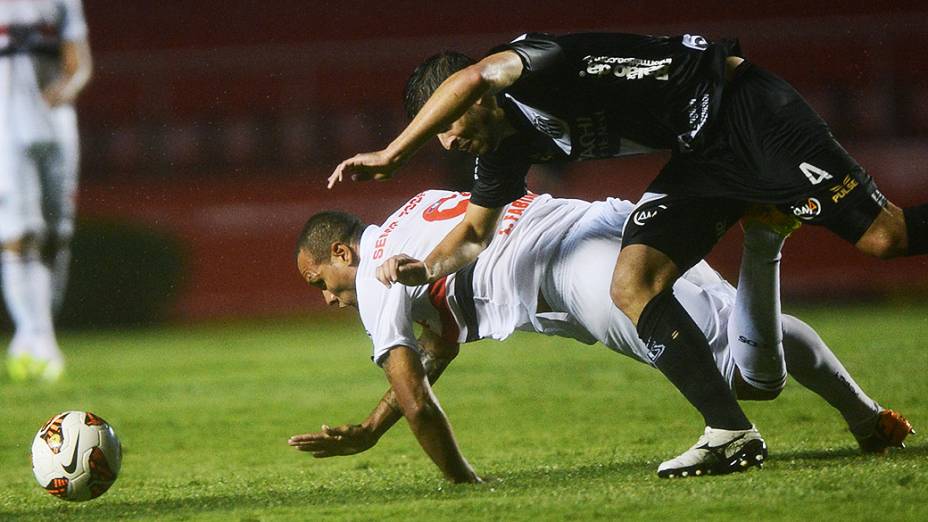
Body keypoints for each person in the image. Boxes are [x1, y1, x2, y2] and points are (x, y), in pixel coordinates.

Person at [326, 32, 927, 473]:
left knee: (885, 239)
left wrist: (391, 153)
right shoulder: (502, 152)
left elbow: (477, 75)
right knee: (633, 281)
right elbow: (475, 236)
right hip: (700, 157)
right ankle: (730, 432)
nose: (448, 140)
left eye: (444, 125)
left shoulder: (532, 66)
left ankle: (771, 263)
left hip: (744, 107)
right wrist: (423, 269)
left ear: (468, 99)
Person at [288, 189, 913, 481]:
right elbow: (438, 350)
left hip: (575, 270)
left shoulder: (375, 278)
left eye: (320, 280)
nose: (326, 297)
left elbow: (419, 401)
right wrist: (371, 429)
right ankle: (868, 420)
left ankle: (765, 240)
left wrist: (462, 485)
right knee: (748, 335)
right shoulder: (416, 206)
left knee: (746, 380)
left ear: (342, 250)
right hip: (606, 219)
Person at [1, 0, 92, 381]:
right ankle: (38, 340)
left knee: (57, 234)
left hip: (55, 121)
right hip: (5, 122)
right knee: (20, 233)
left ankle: (37, 335)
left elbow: (80, 63)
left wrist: (63, 89)